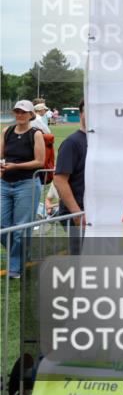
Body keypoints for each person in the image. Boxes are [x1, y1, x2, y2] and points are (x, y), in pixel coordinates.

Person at [1, 101, 46, 279]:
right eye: (17, 111)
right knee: (3, 226)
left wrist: (15, 166)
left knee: (20, 229)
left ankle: (15, 269)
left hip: (27, 184)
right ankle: (23, 252)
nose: (19, 114)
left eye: (23, 112)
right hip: (4, 184)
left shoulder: (36, 134)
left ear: (31, 115)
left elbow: (39, 162)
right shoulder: (7, 131)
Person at [53, 100, 87, 254]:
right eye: (88, 110)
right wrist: (77, 214)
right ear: (81, 114)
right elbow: (60, 181)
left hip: (95, 211)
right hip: (77, 212)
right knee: (80, 256)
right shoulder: (72, 143)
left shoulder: (100, 142)